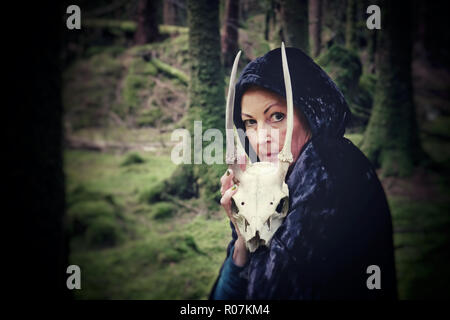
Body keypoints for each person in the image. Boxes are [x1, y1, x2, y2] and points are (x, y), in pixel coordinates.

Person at [209, 46, 398, 300]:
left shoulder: (327, 174)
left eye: (276, 116)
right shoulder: (273, 178)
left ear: (310, 112)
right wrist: (243, 237)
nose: (261, 138)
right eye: (250, 122)